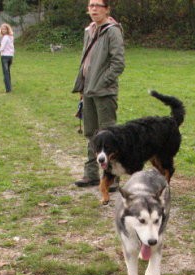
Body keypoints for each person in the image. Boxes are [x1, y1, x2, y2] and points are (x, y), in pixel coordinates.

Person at [71, 0, 125, 188]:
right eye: (91, 5)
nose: (94, 9)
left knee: (109, 134)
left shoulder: (112, 30)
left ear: (107, 9)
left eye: (98, 5)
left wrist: (100, 83)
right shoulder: (89, 30)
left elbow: (118, 64)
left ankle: (112, 177)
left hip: (104, 92)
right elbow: (85, 62)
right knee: (91, 133)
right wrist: (83, 86)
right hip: (88, 90)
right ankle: (91, 174)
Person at [0, 23, 14, 93]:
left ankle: (8, 89)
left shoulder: (5, 38)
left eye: (4, 29)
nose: (3, 30)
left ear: (7, 30)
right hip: (10, 56)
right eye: (2, 29)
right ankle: (9, 87)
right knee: (8, 72)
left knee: (5, 73)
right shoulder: (11, 37)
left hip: (5, 57)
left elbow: (2, 48)